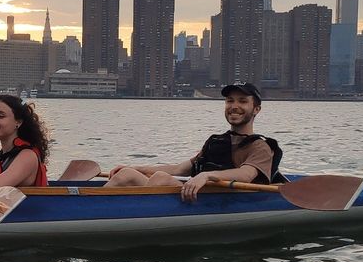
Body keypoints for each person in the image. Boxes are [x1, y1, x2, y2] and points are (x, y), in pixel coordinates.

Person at [104, 82, 286, 202]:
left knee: (160, 178)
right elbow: (178, 170)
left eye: (242, 101)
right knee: (126, 174)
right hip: (195, 195)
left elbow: (246, 175)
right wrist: (136, 168)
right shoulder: (216, 142)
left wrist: (205, 176)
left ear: (256, 109)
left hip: (220, 202)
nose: (234, 106)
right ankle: (87, 210)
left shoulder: (261, 147)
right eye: (229, 101)